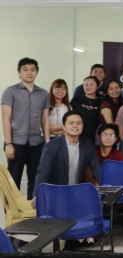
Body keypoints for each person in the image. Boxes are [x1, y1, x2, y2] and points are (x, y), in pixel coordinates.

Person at [1, 57, 50, 199]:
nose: (29, 72)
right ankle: (12, 210)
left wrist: (47, 142)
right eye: (25, 69)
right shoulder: (10, 91)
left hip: (36, 143)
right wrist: (9, 144)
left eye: (33, 70)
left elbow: (45, 119)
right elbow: (6, 119)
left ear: (37, 73)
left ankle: (32, 209)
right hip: (16, 143)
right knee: (13, 181)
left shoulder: (43, 93)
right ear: (19, 72)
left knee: (35, 180)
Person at [32, 111, 101, 202]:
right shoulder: (51, 146)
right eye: (71, 123)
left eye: (78, 123)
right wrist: (37, 195)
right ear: (64, 127)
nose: (75, 126)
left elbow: (96, 167)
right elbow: (43, 172)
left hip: (77, 193)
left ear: (82, 126)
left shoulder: (87, 144)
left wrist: (107, 187)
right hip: (56, 194)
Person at [70, 75, 102, 143]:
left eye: (91, 85)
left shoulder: (101, 102)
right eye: (86, 85)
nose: (88, 87)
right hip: (76, 136)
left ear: (97, 86)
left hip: (95, 138)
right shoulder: (76, 100)